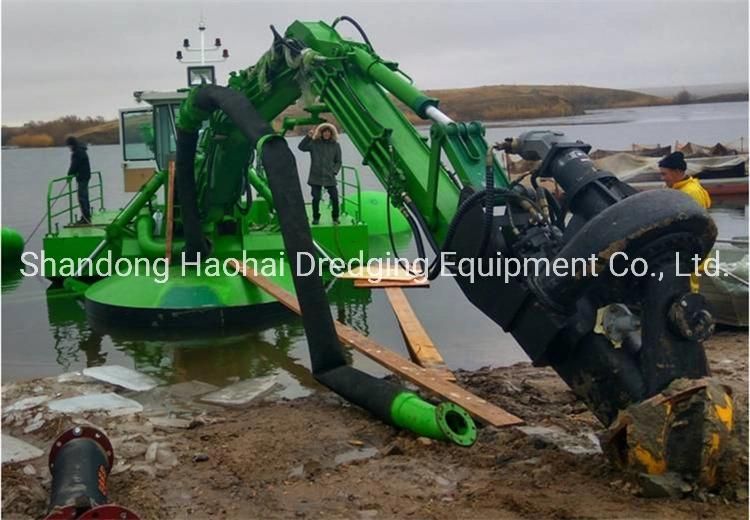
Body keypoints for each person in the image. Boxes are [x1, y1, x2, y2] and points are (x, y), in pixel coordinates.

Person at [658, 151, 711, 292]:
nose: (662, 178)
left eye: (664, 174)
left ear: (677, 172)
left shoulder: (692, 192)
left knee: (689, 288)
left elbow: (697, 226)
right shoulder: (671, 189)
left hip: (691, 252)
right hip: (676, 250)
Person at [298, 123, 342, 224]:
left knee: (335, 197)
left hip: (329, 176)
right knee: (316, 198)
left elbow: (338, 161)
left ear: (331, 134)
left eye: (328, 132)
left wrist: (334, 171)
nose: (326, 134)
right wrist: (308, 137)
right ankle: (316, 218)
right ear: (321, 133)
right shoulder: (314, 143)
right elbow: (301, 147)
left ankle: (335, 217)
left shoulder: (336, 145)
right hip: (315, 176)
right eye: (324, 132)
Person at [65, 136, 92, 225]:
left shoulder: (77, 153)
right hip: (86, 176)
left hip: (82, 177)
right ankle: (86, 216)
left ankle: (85, 219)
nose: (68, 148)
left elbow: (74, 165)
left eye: (68, 146)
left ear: (71, 145)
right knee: (85, 197)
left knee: (82, 198)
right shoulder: (82, 150)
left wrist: (69, 175)